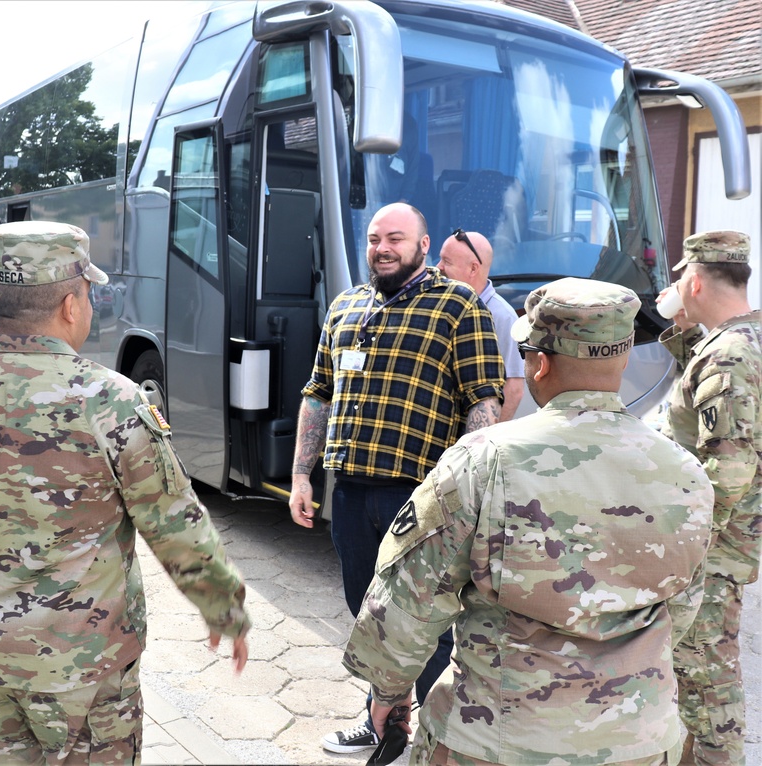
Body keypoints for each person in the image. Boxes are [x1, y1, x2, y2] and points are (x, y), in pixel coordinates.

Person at [0, 220, 251, 764]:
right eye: (88, 294)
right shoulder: (111, 401)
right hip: (85, 675)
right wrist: (223, 607)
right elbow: (175, 524)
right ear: (71, 304)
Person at [344, 277, 715, 765]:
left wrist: (388, 694)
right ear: (621, 358)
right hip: (638, 743)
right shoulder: (686, 473)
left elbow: (409, 601)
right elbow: (683, 610)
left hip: (496, 740)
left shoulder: (484, 460)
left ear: (539, 363)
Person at [289, 202, 505, 754]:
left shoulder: (457, 307)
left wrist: (475, 495)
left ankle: (425, 728)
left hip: (421, 498)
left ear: (422, 246)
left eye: (396, 238)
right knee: (368, 611)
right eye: (374, 238)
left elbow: (482, 401)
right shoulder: (345, 307)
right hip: (351, 490)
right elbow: (318, 393)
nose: (382, 247)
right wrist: (301, 476)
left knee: (422, 617)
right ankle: (383, 717)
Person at [657, 231, 761, 766]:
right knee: (698, 677)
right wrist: (682, 335)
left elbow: (729, 470)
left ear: (695, 281)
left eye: (679, 279)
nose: (676, 287)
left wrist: (684, 552)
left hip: (710, 552)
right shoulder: (745, 340)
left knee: (706, 684)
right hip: (726, 545)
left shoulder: (730, 356)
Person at [436, 228, 525, 420]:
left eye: (447, 262)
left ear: (473, 269)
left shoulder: (503, 317)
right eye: (440, 259)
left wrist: (488, 439)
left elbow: (514, 388)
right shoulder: (441, 303)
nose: (438, 267)